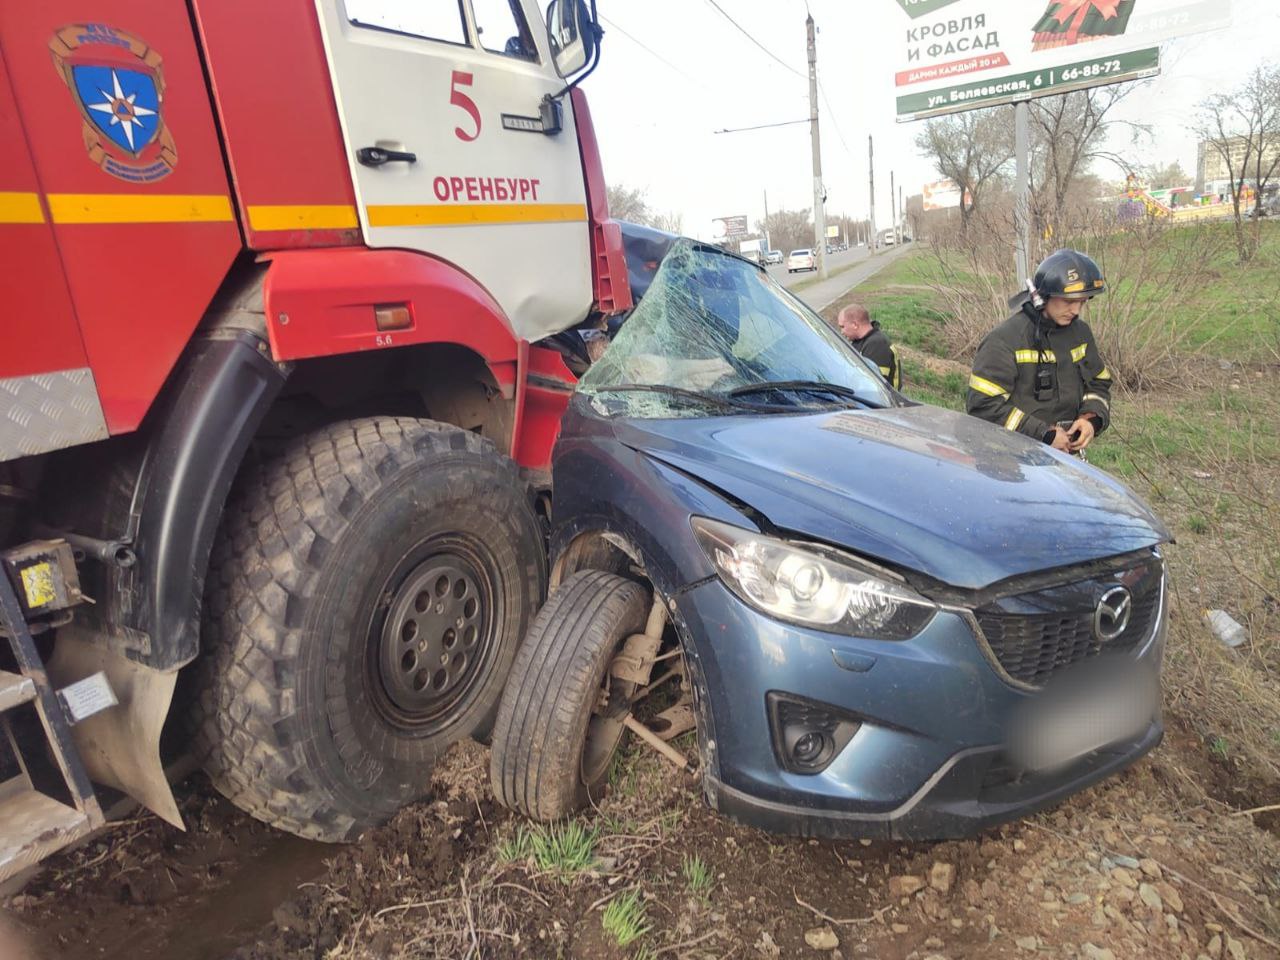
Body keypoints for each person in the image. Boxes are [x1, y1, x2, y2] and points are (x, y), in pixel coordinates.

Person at [966, 249, 1112, 455]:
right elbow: (983, 405)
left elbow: (1099, 383)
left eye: (1083, 301)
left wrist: (1090, 419)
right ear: (1044, 296)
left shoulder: (1080, 334)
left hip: (1065, 459)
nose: (1076, 310)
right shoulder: (1004, 340)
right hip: (1011, 460)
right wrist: (1043, 434)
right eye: (1069, 301)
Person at [836, 303, 900, 389]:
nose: (841, 332)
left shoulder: (877, 344)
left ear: (854, 325)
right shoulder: (859, 341)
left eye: (842, 326)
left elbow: (873, 385)